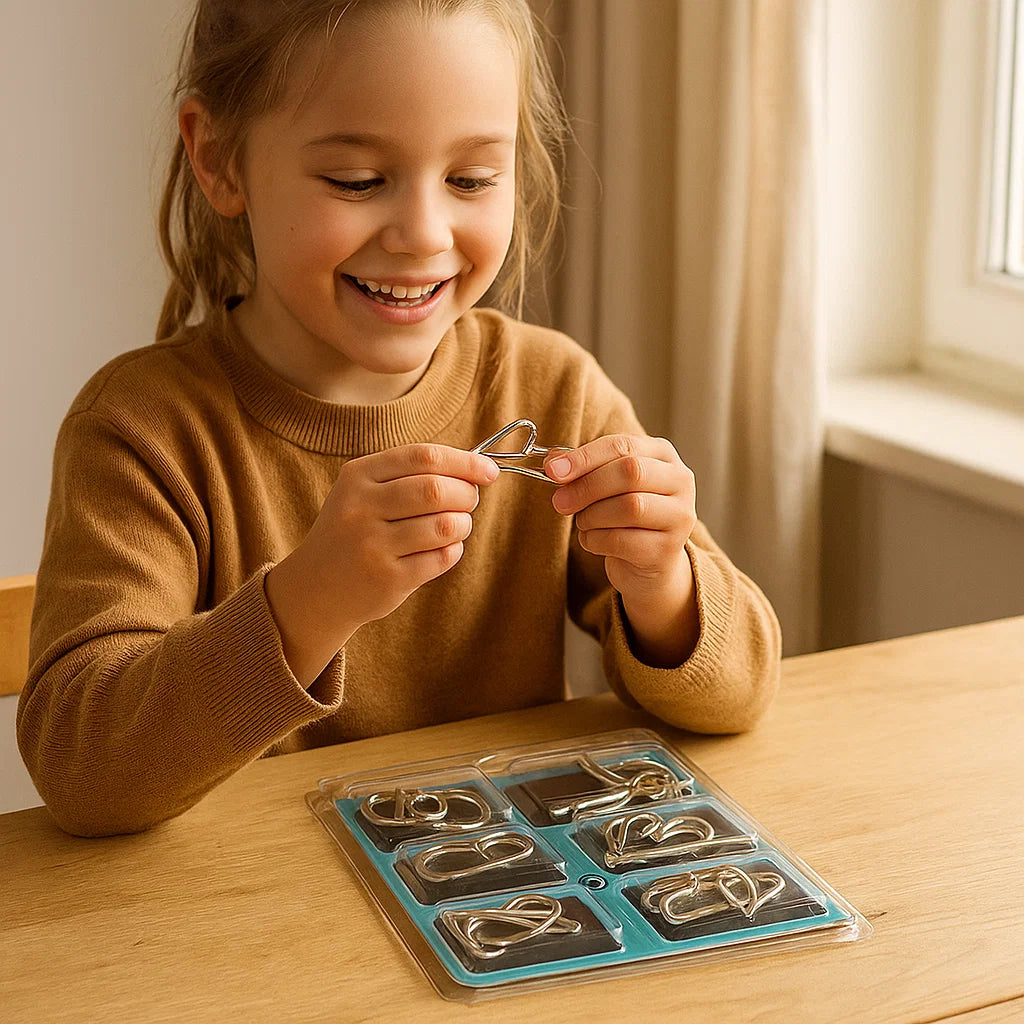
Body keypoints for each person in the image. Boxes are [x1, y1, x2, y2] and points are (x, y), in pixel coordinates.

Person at [18, 0, 780, 838]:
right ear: (219, 157)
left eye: (471, 180)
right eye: (357, 181)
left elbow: (738, 695)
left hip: (503, 908)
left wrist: (662, 582)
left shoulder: (553, 388)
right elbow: (82, 769)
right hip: (250, 929)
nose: (423, 234)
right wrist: (309, 600)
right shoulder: (142, 432)